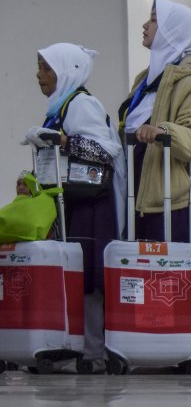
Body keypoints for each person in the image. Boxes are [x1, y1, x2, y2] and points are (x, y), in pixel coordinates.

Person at [25, 43, 124, 370]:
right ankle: (67, 350)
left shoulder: (82, 104)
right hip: (72, 202)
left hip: (91, 204)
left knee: (89, 277)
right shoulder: (60, 106)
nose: (40, 75)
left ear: (67, 70)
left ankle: (93, 354)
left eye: (47, 68)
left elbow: (104, 152)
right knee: (70, 275)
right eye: (39, 67)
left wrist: (65, 141)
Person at [118, 0, 191, 242]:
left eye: (154, 20)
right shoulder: (146, 79)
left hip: (171, 200)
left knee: (166, 278)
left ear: (174, 30)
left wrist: (164, 131)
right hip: (136, 194)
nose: (145, 25)